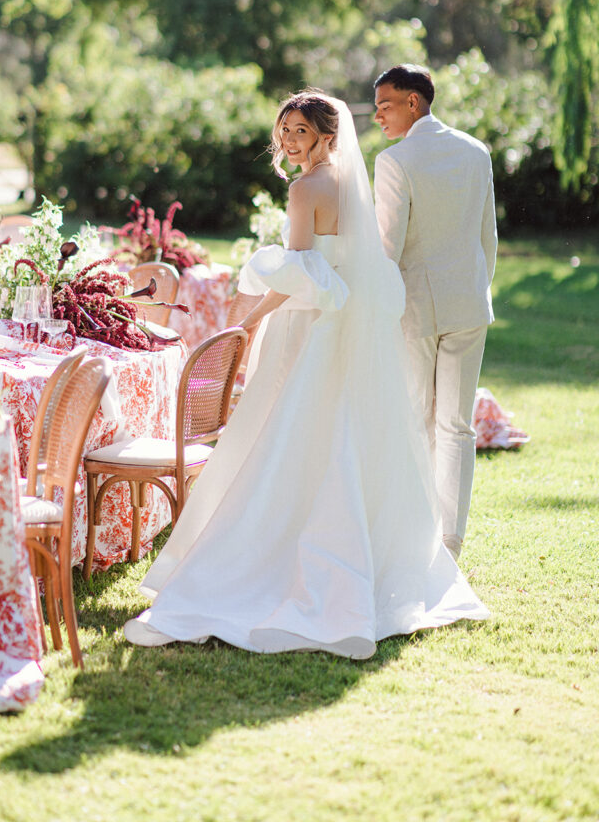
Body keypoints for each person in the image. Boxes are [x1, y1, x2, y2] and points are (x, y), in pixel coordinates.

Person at [124, 91, 489, 657]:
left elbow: (299, 271)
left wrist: (250, 319)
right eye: (285, 130)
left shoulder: (303, 189)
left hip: (313, 329)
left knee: (289, 437)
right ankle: (361, 564)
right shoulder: (351, 184)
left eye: (300, 131)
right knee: (344, 434)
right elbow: (348, 263)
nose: (289, 140)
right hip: (349, 328)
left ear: (325, 135)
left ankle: (276, 560)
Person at [373, 65, 497, 561]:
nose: (378, 113)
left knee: (417, 419)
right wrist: (475, 286)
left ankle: (419, 531)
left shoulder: (394, 161)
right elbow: (487, 235)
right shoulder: (476, 151)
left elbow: (388, 246)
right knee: (457, 426)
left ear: (413, 103)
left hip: (415, 307)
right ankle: (451, 542)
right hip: (469, 299)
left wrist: (378, 303)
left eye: (386, 103)